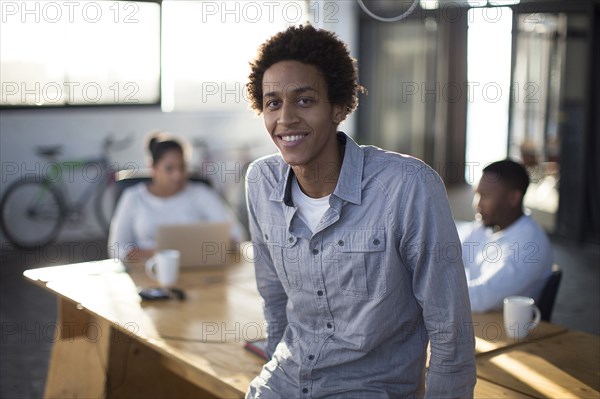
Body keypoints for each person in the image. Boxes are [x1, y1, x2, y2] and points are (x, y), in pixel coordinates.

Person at [244, 25, 476, 398]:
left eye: (304, 100)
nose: (285, 118)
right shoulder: (261, 180)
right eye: (273, 103)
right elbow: (274, 299)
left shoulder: (408, 186)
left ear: (338, 106)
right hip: (285, 381)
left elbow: (450, 329)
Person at [108, 134, 244, 261]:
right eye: (169, 169)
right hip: (148, 270)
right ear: (153, 168)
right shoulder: (133, 198)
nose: (177, 175)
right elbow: (116, 248)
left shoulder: (201, 193)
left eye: (182, 167)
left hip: (199, 270)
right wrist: (157, 255)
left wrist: (215, 247)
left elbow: (237, 234)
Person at [461, 159, 554, 313]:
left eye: (485, 195)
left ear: (513, 198)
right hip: (477, 324)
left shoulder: (531, 245)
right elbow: (447, 262)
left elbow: (480, 298)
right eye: (476, 194)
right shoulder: (481, 228)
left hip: (506, 333)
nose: (477, 204)